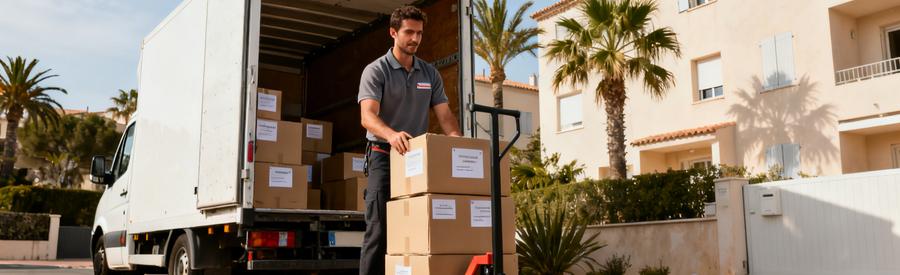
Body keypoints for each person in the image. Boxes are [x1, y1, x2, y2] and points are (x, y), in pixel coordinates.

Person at [356, 5, 461, 275]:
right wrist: (391, 135)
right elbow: (367, 117)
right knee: (379, 230)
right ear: (393, 33)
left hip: (417, 159)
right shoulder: (376, 70)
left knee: (419, 227)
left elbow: (445, 116)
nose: (415, 39)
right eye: (409, 32)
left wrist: (457, 144)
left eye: (420, 33)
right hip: (383, 154)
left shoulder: (429, 74)